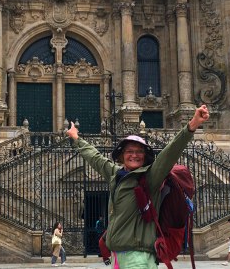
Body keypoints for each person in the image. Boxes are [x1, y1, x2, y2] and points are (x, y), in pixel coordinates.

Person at [66, 104, 209, 268]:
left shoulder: (150, 177)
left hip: (138, 258)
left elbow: (170, 153)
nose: (134, 155)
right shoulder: (115, 175)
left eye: (139, 151)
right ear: (121, 155)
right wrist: (76, 138)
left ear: (145, 156)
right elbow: (95, 158)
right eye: (129, 151)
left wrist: (192, 125)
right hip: (117, 257)